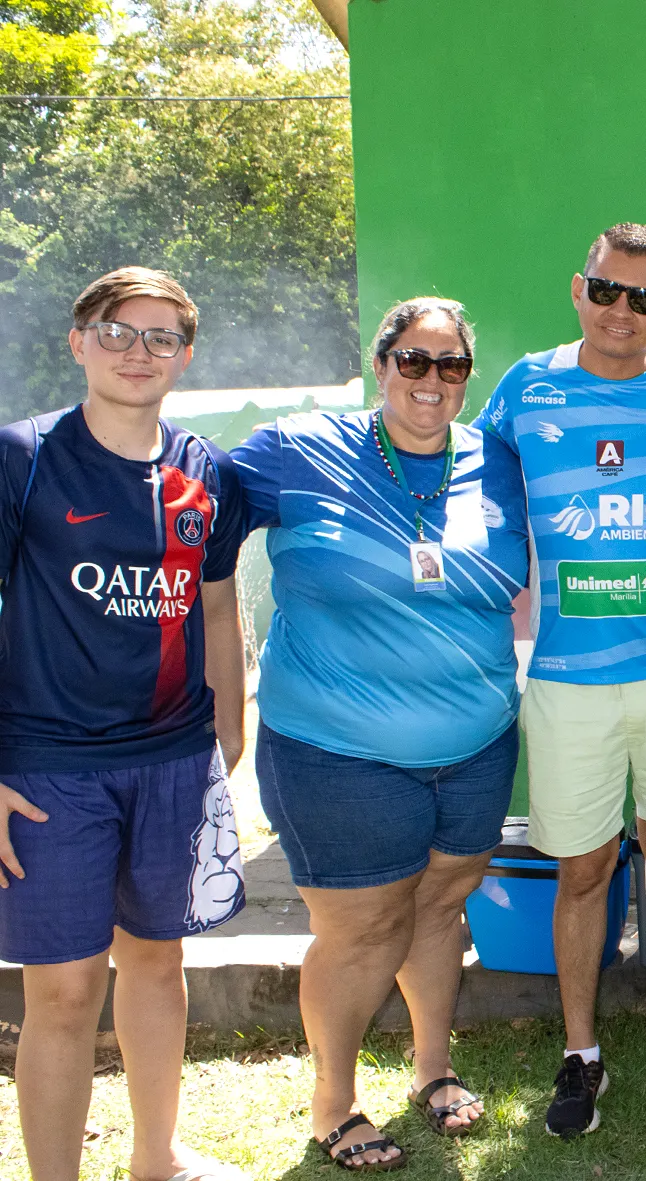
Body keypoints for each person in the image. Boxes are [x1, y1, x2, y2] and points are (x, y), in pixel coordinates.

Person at [233, 297, 529, 1170]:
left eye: (452, 365)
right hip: (336, 749)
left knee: (440, 905)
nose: (432, 380)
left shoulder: (498, 461)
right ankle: (334, 1101)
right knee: (363, 928)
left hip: (475, 745)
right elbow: (179, 513)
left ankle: (433, 1066)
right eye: (414, 360)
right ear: (381, 363)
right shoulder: (297, 449)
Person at [474, 223, 646, 1135]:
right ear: (578, 289)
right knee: (583, 868)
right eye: (606, 289)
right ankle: (580, 1053)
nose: (622, 309)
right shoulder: (524, 388)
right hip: (566, 679)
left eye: (644, 297)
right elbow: (463, 479)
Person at [0, 267, 248, 1181]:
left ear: (185, 356)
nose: (137, 352)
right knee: (65, 992)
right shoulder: (23, 456)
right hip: (47, 767)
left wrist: (230, 730)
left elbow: (215, 603)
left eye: (161, 338)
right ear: (79, 341)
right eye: (117, 331)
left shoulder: (205, 470)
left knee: (155, 961)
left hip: (172, 756)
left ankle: (157, 1157)